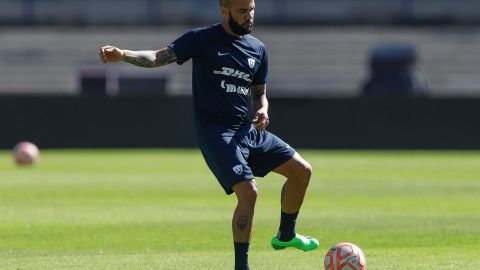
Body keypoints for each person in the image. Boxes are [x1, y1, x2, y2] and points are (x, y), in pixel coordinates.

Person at [99, 0, 318, 269]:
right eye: (241, 11)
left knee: (302, 171)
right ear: (224, 11)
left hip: (247, 131)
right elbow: (158, 58)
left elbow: (259, 92)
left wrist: (262, 109)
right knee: (248, 192)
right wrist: (123, 54)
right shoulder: (202, 39)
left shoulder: (258, 49)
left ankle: (286, 235)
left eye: (251, 10)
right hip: (217, 133)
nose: (248, 16)